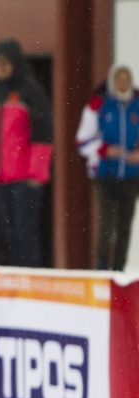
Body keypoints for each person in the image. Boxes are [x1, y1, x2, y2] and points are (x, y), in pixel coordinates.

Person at [0, 39, 53, 268]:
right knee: (8, 233)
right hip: (2, 177)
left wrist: (37, 172)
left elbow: (43, 133)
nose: (1, 68)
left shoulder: (30, 90)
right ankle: (16, 277)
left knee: (26, 231)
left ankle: (31, 277)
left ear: (15, 63)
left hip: (26, 177)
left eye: (5, 63)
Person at [78, 65, 139, 271]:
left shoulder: (137, 105)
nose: (123, 83)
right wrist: (105, 150)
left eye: (126, 79)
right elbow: (82, 142)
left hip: (131, 175)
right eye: (119, 79)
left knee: (125, 224)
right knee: (107, 222)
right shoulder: (99, 105)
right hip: (105, 174)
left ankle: (120, 268)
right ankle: (102, 267)